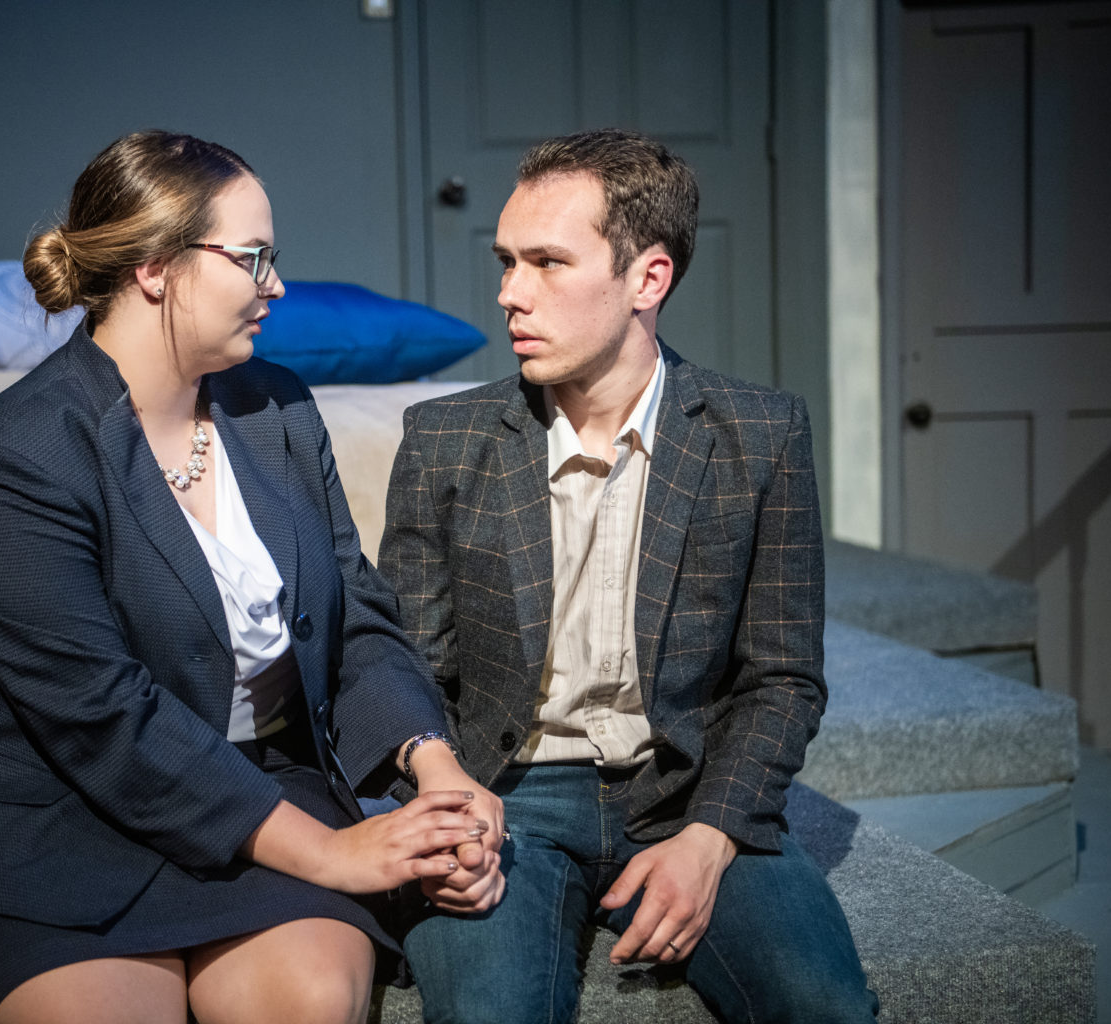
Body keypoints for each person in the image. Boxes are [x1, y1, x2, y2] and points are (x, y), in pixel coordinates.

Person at [0, 130, 504, 1024]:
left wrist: (433, 765)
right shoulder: (17, 451)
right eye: (253, 259)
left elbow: (357, 617)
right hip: (53, 814)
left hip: (258, 783)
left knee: (308, 1007)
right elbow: (101, 716)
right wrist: (335, 856)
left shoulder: (280, 406)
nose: (277, 286)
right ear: (155, 268)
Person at [377, 128, 879, 1023]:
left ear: (648, 279)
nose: (508, 294)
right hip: (507, 787)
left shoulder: (760, 435)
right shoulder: (445, 440)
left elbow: (783, 677)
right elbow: (408, 664)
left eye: (546, 263)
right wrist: (444, 794)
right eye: (506, 262)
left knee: (826, 1008)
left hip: (687, 782)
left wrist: (713, 836)